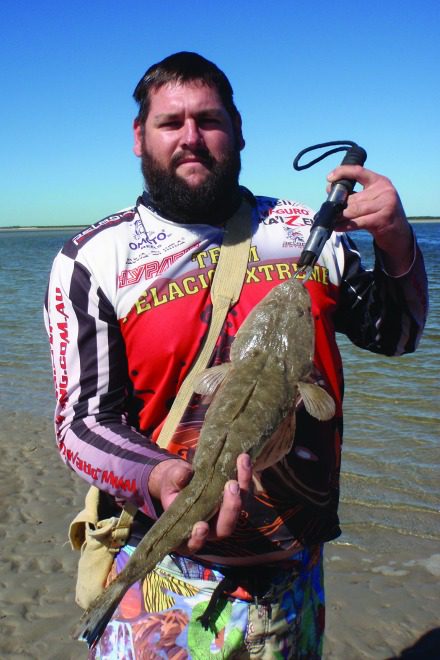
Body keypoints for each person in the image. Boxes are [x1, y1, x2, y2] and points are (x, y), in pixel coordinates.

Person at [44, 51, 428, 659]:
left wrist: (397, 240)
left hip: (293, 577)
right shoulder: (93, 260)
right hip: (167, 576)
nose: (191, 137)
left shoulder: (306, 231)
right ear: (139, 138)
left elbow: (398, 334)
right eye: (171, 123)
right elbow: (82, 422)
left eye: (209, 119)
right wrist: (157, 476)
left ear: (240, 129)